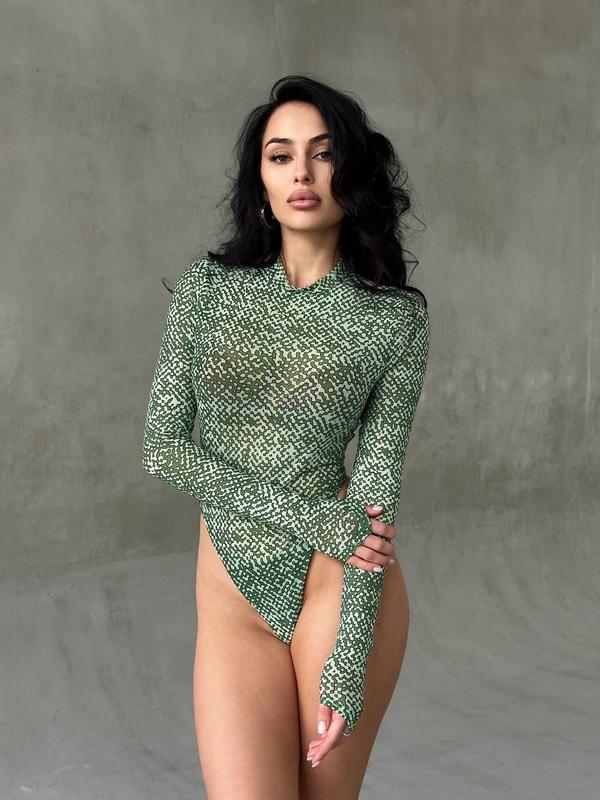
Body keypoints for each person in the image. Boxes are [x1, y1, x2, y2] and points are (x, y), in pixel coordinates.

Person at [141, 74, 430, 800]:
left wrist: (348, 663)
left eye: (323, 153)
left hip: (337, 588)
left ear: (350, 173)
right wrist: (308, 516)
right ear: (261, 180)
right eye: (280, 155)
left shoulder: (393, 318)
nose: (301, 172)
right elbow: (162, 447)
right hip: (231, 595)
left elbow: (374, 498)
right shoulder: (208, 290)